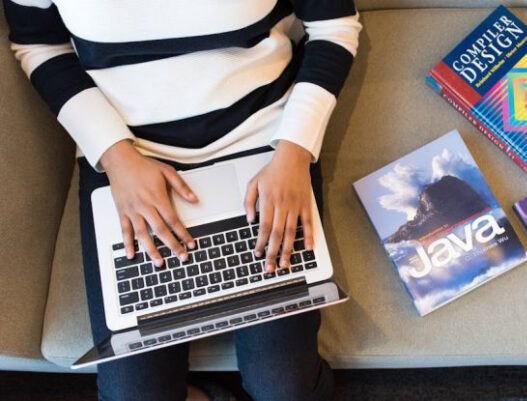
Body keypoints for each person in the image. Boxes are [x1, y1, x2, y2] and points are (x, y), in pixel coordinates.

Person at [3, 0, 361, 400]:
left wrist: (295, 151)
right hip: (129, 156)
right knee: (133, 395)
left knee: (284, 387)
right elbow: (39, 43)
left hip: (266, 143)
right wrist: (115, 156)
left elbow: (335, 26)